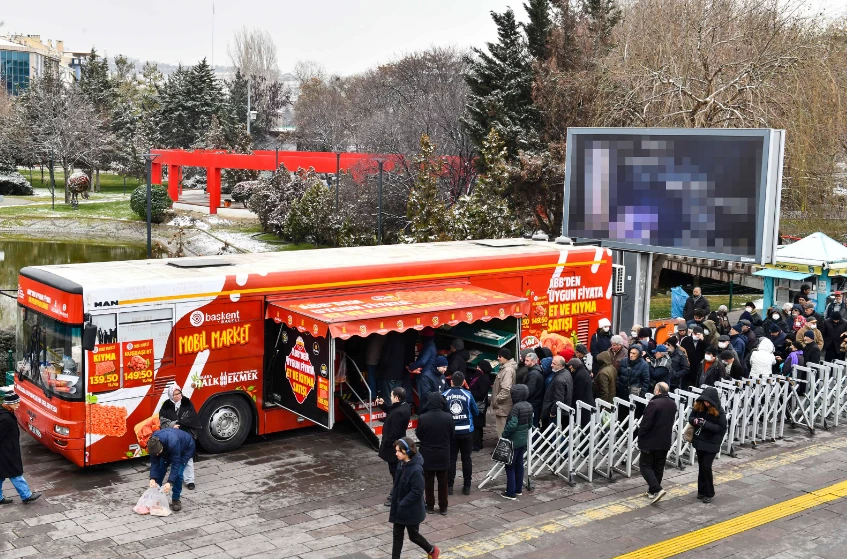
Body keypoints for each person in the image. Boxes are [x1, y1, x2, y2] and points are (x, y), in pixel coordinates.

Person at [388, 437, 440, 559]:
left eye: (399, 451)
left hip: (411, 510)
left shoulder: (416, 469)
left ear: (406, 451)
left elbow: (417, 491)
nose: (396, 454)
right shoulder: (402, 463)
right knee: (397, 536)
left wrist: (402, 503)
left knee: (413, 535)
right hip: (399, 507)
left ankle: (432, 550)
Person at [416, 392, 454, 515]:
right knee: (443, 480)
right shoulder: (448, 417)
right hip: (443, 452)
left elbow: (419, 434)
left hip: (427, 453)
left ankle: (430, 505)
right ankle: (443, 507)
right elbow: (452, 434)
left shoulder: (423, 417)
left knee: (428, 480)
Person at [0, 392, 42, 504]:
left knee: (1, 475)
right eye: (16, 403)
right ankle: (26, 495)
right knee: (15, 473)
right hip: (7, 451)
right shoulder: (6, 419)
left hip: (6, 450)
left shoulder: (4, 412)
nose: (18, 405)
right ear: (10, 404)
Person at [638, 382, 676, 504]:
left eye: (655, 388)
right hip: (664, 440)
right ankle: (652, 491)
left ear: (658, 391)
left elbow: (646, 423)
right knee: (658, 467)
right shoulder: (672, 403)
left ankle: (657, 489)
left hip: (651, 441)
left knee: (645, 465)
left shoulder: (654, 404)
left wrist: (640, 436)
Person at [689, 387, 728, 504]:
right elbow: (690, 418)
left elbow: (721, 428)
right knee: (701, 466)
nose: (706, 403)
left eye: (708, 402)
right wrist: (695, 421)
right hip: (700, 441)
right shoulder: (699, 406)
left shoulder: (719, 411)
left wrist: (706, 424)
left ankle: (709, 492)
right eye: (704, 401)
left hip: (712, 443)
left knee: (706, 466)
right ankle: (701, 491)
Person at [158, 386, 201, 491]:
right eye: (175, 394)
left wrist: (180, 424)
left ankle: (190, 480)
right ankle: (174, 478)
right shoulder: (166, 406)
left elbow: (193, 418)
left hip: (186, 435)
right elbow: (162, 420)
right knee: (175, 458)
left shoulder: (187, 403)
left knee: (188, 458)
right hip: (173, 436)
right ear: (171, 396)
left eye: (179, 393)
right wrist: (172, 425)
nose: (178, 396)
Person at [443, 372, 478, 496]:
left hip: (451, 432)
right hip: (467, 431)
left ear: (451, 382)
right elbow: (476, 411)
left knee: (451, 459)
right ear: (464, 382)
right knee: (466, 458)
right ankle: (467, 486)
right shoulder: (468, 395)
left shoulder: (445, 395)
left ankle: (450, 486)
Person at [376, 387, 411, 506]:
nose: (390, 398)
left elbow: (394, 432)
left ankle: (396, 495)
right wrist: (384, 405)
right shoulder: (404, 406)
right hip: (395, 445)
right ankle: (395, 493)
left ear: (396, 397)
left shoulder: (399, 413)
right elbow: (392, 410)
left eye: (391, 396)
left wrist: (386, 442)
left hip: (393, 447)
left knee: (396, 472)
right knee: (397, 471)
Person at [148, 427, 196, 512]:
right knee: (161, 469)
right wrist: (152, 478)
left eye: (159, 452)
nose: (158, 454)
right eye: (157, 454)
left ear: (161, 447)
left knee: (178, 474)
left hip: (185, 448)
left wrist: (169, 482)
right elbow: (155, 463)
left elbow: (176, 464)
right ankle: (156, 495)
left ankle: (176, 499)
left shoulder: (172, 442)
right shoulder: (152, 445)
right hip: (168, 449)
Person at [500, 385, 533, 501]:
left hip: (513, 441)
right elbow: (530, 424)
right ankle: (518, 489)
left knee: (509, 466)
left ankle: (511, 492)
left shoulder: (516, 408)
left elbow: (512, 425)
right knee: (519, 465)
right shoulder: (529, 405)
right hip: (523, 440)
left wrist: (504, 435)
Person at [466, 361, 492, 451]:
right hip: (476, 402)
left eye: (479, 367)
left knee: (477, 424)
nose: (477, 368)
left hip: (479, 404)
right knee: (476, 423)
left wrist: (470, 393)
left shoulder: (484, 378)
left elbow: (481, 393)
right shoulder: (479, 376)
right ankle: (476, 442)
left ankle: (477, 443)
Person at [491, 348, 517, 435]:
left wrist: (497, 400)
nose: (498, 358)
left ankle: (503, 448)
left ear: (505, 357)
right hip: (503, 406)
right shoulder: (505, 369)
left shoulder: (507, 370)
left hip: (503, 406)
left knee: (502, 431)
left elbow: (506, 389)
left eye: (500, 356)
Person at [541, 356, 573, 427]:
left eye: (553, 364)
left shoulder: (559, 379)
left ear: (560, 366)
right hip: (563, 410)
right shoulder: (566, 373)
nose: (551, 365)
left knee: (555, 432)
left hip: (557, 412)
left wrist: (553, 412)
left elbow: (558, 399)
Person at [381, 331, 409, 407]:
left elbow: (385, 358)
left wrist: (381, 367)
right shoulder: (402, 340)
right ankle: (397, 414)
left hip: (389, 373)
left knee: (389, 397)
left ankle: (390, 416)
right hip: (399, 373)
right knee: (398, 397)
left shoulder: (389, 340)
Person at [569, 358, 594, 427]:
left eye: (570, 366)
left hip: (584, 404)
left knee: (584, 426)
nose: (569, 367)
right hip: (586, 402)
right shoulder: (582, 372)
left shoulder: (580, 375)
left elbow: (578, 392)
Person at [522, 353, 545, 427]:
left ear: (534, 361)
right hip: (535, 402)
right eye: (525, 360)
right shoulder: (533, 371)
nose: (525, 362)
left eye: (527, 361)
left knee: (533, 424)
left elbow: (530, 389)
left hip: (533, 403)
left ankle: (534, 438)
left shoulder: (534, 373)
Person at [366, 334, 385, 399]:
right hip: (380, 359)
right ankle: (379, 394)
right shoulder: (385, 335)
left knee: (371, 378)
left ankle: (373, 395)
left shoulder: (373, 335)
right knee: (378, 378)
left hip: (371, 359)